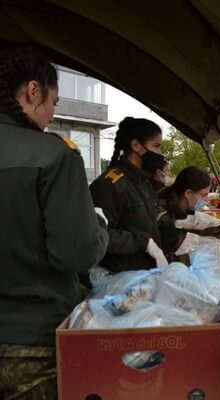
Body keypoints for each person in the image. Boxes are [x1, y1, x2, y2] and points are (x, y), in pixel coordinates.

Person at [0, 47, 108, 400]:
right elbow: (75, 255)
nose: (50, 116)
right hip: (31, 346)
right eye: (54, 103)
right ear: (33, 91)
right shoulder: (55, 155)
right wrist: (99, 230)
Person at [90, 117, 169, 273]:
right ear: (136, 146)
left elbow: (150, 223)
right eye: (157, 146)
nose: (160, 154)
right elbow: (97, 235)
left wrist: (180, 228)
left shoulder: (144, 182)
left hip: (145, 274)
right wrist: (141, 242)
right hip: (120, 279)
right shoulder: (110, 184)